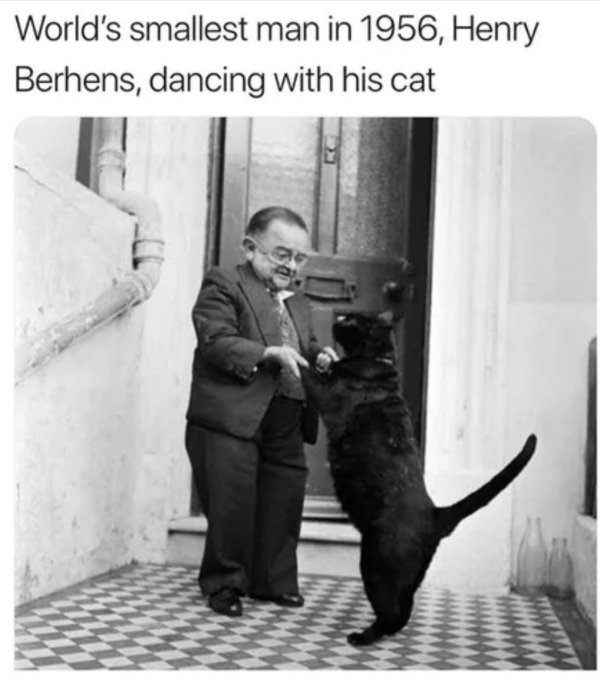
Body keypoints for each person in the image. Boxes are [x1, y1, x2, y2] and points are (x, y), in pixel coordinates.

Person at [185, 206, 338, 617]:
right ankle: (225, 584)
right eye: (281, 254)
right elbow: (215, 339)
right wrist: (266, 353)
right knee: (232, 501)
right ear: (250, 247)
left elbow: (301, 344)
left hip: (286, 412)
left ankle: (273, 582)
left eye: (299, 257)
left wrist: (319, 355)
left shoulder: (299, 302)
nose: (291, 265)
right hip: (232, 414)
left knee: (283, 497)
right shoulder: (225, 282)